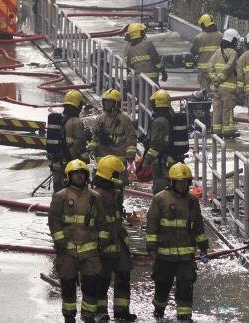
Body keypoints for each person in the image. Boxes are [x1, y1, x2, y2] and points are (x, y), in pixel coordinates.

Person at [145, 162, 210, 321]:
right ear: (172, 182)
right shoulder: (160, 199)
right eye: (179, 182)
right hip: (164, 255)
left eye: (185, 182)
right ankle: (159, 310)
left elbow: (198, 226)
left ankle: (184, 315)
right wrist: (152, 248)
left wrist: (203, 248)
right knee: (162, 284)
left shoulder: (192, 201)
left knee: (186, 284)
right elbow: (152, 225)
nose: (182, 185)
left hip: (186, 256)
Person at [49, 159, 105, 323]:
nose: (79, 177)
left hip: (90, 252)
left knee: (91, 286)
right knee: (67, 285)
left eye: (82, 174)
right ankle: (69, 316)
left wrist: (102, 242)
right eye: (76, 174)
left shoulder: (95, 197)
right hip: (67, 251)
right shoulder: (61, 196)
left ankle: (88, 316)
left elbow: (102, 222)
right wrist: (60, 242)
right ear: (69, 176)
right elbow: (54, 221)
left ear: (87, 176)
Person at [92, 155, 137, 322]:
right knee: (102, 279)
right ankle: (100, 312)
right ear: (110, 175)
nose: (120, 177)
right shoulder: (96, 195)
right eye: (118, 174)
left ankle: (122, 311)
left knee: (124, 274)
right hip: (103, 244)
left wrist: (127, 217)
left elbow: (115, 216)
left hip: (118, 240)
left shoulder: (115, 193)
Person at [140, 89, 178, 193]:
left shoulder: (159, 121)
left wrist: (146, 161)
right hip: (171, 157)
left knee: (160, 188)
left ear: (156, 104)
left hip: (161, 160)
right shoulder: (170, 116)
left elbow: (156, 145)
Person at [207, 29, 242, 138]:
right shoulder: (233, 53)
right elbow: (229, 67)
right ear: (232, 40)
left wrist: (214, 79)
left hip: (216, 88)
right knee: (227, 110)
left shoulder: (218, 51)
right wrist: (219, 78)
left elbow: (209, 65)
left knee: (217, 110)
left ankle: (216, 131)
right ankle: (228, 131)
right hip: (228, 89)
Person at [51, 90, 89, 191]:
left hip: (57, 163)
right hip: (72, 165)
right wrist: (86, 160)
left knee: (58, 193)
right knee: (76, 193)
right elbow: (80, 146)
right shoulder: (76, 122)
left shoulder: (57, 120)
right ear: (78, 106)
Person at [90, 89, 138, 164]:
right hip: (102, 158)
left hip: (119, 159)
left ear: (116, 103)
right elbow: (95, 137)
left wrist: (130, 155)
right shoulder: (100, 118)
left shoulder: (124, 119)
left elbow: (131, 138)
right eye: (105, 101)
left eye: (110, 101)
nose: (107, 103)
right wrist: (91, 148)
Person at [189, 14, 222, 90]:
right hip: (217, 70)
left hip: (204, 71)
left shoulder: (199, 37)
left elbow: (193, 51)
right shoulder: (221, 36)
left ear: (204, 24)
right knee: (216, 92)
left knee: (204, 93)